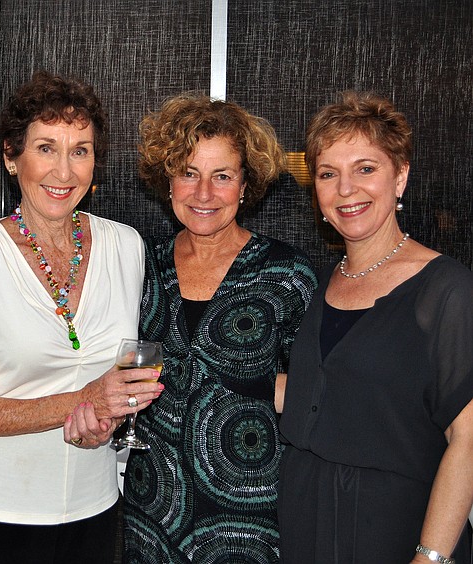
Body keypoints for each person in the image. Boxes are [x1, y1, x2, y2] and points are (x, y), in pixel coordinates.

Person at [0, 71, 162, 564]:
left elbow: (119, 382)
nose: (64, 171)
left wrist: (107, 421)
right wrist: (79, 400)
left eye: (80, 150)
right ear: (11, 157)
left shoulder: (127, 247)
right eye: (45, 148)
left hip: (96, 508)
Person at [113, 93, 317, 562]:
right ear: (168, 180)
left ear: (245, 185)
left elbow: (316, 391)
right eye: (189, 173)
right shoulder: (142, 267)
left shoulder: (285, 274)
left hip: (250, 514)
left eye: (221, 176)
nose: (204, 193)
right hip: (154, 508)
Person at [278, 92, 473, 563]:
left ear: (400, 176)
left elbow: (468, 441)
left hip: (395, 531)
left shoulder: (446, 290)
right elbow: (325, 394)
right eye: (328, 174)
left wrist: (430, 557)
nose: (346, 189)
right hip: (305, 523)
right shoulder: (322, 284)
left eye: (365, 168)